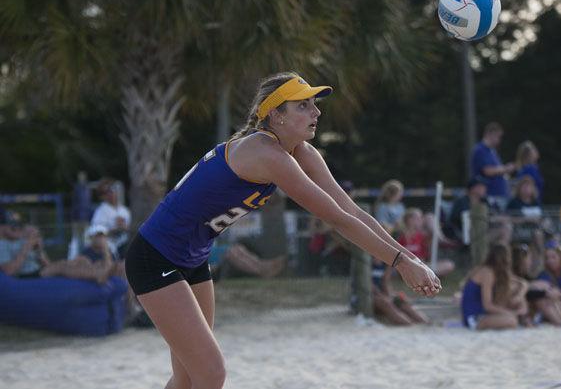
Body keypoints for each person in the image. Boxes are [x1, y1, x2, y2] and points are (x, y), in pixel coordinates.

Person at [124, 72, 441, 389]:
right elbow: (336, 219)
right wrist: (399, 262)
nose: (316, 112)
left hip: (192, 258)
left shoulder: (300, 151)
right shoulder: (266, 154)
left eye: (314, 104)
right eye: (303, 105)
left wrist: (410, 259)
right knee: (210, 373)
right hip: (155, 258)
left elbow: (351, 210)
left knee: (189, 376)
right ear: (276, 115)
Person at [0, 222, 113, 283]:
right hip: (25, 277)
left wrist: (39, 251)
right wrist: (26, 247)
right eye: (31, 234)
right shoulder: (3, 245)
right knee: (61, 266)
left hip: (37, 272)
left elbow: (47, 265)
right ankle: (98, 275)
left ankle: (98, 275)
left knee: (79, 261)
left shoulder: (24, 243)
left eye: (36, 235)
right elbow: (9, 271)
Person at [460, 243, 528, 330]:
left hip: (481, 314)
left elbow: (520, 283)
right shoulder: (487, 273)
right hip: (474, 317)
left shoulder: (491, 271)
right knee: (511, 321)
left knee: (512, 317)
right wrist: (509, 312)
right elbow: (487, 305)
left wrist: (519, 295)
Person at [511, 244, 561, 326]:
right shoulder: (512, 275)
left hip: (524, 307)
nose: (530, 262)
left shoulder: (524, 275)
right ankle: (560, 323)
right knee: (541, 295)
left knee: (544, 288)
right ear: (522, 260)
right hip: (515, 309)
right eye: (529, 258)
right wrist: (545, 293)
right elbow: (527, 294)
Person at [470, 122, 516, 211]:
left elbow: (497, 169)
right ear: (489, 134)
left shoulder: (492, 151)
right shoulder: (480, 150)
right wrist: (506, 169)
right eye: (498, 136)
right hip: (490, 196)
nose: (499, 140)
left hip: (499, 195)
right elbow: (487, 171)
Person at [398, 208, 454, 278]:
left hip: (422, 266)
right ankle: (427, 276)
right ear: (410, 220)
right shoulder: (402, 236)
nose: (421, 220)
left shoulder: (422, 236)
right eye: (418, 218)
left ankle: (426, 276)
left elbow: (427, 256)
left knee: (449, 265)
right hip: (408, 268)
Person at [371, 258, 429, 326]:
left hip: (381, 294)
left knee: (401, 301)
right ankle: (409, 325)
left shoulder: (386, 264)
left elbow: (385, 283)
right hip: (371, 295)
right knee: (386, 303)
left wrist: (391, 295)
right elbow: (370, 286)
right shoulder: (367, 264)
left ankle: (425, 323)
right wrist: (384, 296)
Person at [506, 175, 544, 266]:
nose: (527, 189)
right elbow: (506, 218)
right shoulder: (514, 202)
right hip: (517, 231)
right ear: (519, 188)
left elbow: (543, 217)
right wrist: (525, 219)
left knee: (538, 234)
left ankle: (540, 262)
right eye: (524, 186)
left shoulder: (536, 202)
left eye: (529, 186)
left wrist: (542, 221)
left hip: (535, 230)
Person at [91, 179, 132, 257]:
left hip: (126, 244)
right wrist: (116, 229)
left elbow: (132, 229)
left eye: (112, 190)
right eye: (106, 192)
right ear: (102, 196)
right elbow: (96, 234)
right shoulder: (100, 211)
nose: (110, 193)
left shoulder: (125, 210)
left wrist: (125, 227)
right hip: (109, 248)